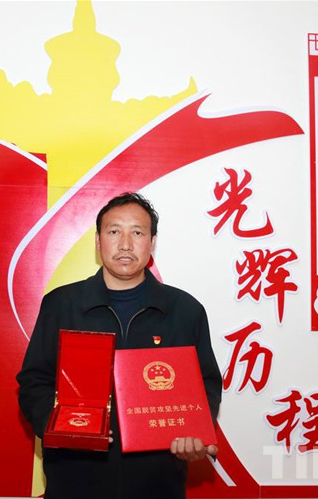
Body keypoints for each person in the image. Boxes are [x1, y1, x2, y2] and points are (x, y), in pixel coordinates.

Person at [17, 192, 222, 499]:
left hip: (157, 485)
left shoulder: (184, 310)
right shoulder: (62, 304)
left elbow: (206, 385)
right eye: (114, 232)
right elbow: (34, 382)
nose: (125, 244)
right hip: (74, 481)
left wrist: (194, 432)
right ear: (98, 241)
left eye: (137, 233)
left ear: (152, 243)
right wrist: (62, 427)